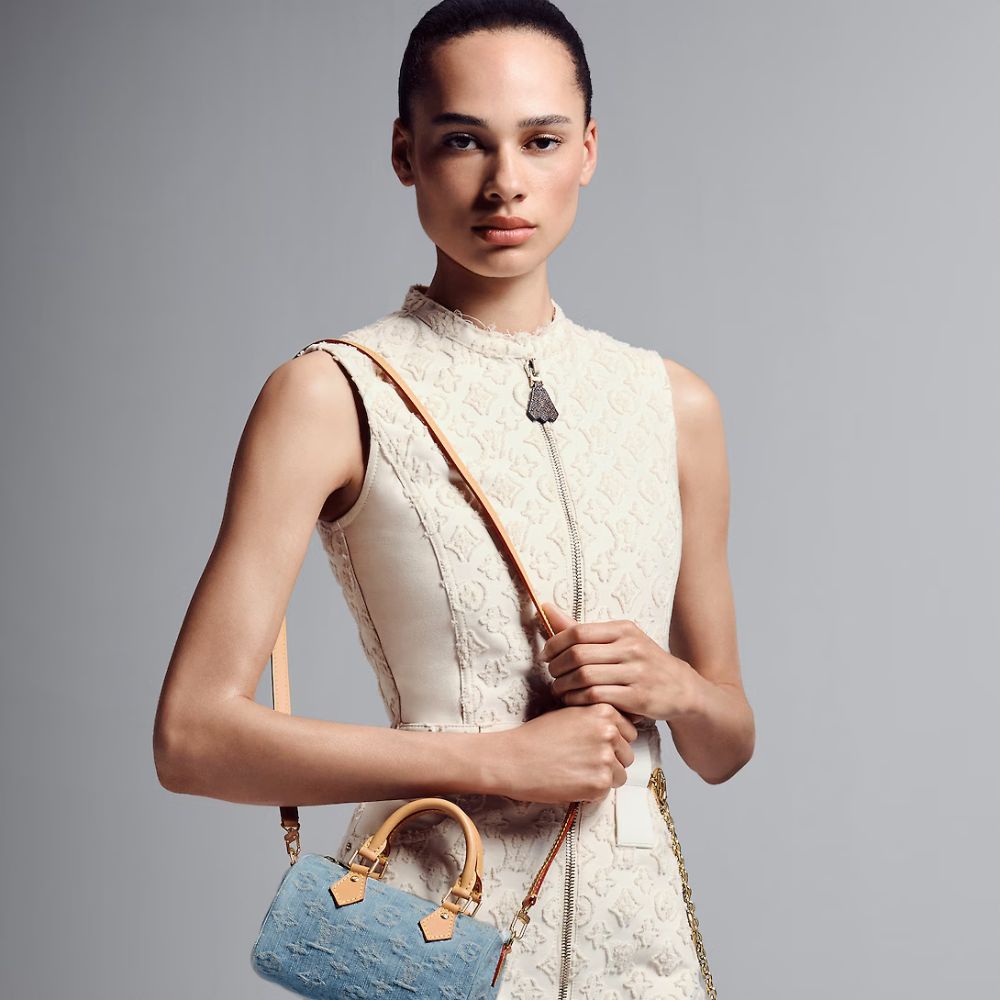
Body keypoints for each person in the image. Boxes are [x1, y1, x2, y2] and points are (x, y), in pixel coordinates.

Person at [153, 1, 755, 996]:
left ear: (588, 150)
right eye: (464, 140)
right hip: (428, 935)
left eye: (541, 141)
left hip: (641, 958)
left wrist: (677, 688)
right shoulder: (330, 392)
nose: (505, 181)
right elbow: (191, 738)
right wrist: (499, 760)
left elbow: (725, 743)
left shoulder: (673, 403)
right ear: (406, 152)